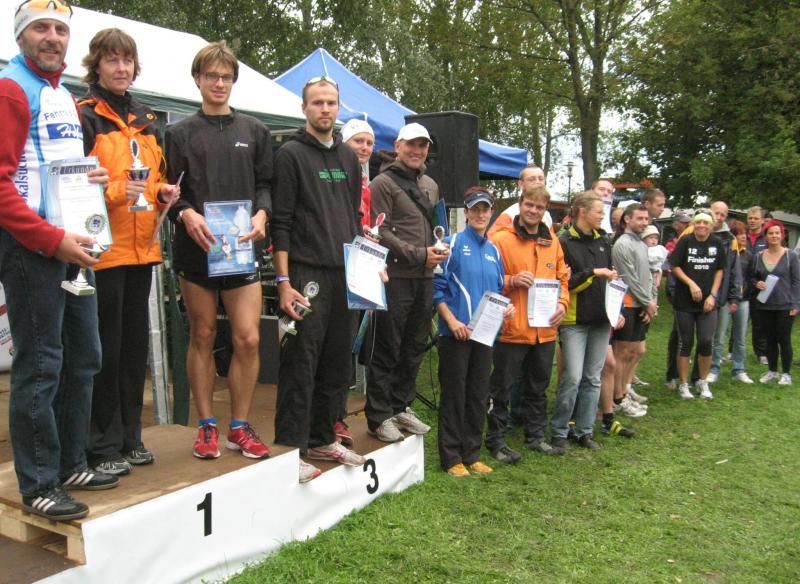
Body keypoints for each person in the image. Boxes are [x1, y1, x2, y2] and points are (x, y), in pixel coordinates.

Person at [0, 0, 118, 521]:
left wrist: (88, 177)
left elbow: (54, 166)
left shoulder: (63, 94)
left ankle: (71, 464)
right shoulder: (11, 88)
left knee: (84, 355)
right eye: (41, 28)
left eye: (60, 29)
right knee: (42, 364)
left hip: (73, 244)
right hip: (33, 248)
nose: (52, 37)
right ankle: (40, 483)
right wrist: (49, 240)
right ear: (21, 36)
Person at [79, 28, 180, 476]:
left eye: (127, 61)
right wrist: (120, 191)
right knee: (104, 351)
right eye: (112, 60)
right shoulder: (85, 115)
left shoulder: (147, 118)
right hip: (102, 252)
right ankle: (100, 444)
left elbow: (152, 179)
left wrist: (162, 194)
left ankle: (129, 437)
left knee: (133, 351)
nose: (121, 68)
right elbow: (75, 183)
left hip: (143, 251)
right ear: (97, 65)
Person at [166, 42, 272, 460]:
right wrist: (185, 212)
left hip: (242, 249)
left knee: (248, 338)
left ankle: (239, 427)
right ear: (197, 79)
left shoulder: (255, 130)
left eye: (226, 77)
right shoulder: (178, 133)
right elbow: (167, 192)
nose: (219, 83)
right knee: (203, 334)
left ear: (234, 81)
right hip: (197, 249)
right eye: (211, 75)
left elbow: (266, 185)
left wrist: (262, 214)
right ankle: (207, 425)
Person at [271, 76, 365, 482]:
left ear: (338, 107)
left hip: (345, 274)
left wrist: (365, 268)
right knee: (301, 361)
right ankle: (290, 449)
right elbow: (281, 223)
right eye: (317, 103)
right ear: (304, 108)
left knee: (337, 360)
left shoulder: (348, 157)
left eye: (331, 103)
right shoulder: (290, 155)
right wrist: (283, 281)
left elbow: (353, 217)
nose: (325, 109)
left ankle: (323, 436)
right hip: (305, 273)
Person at [365, 123, 448, 442]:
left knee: (414, 348)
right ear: (398, 146)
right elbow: (379, 231)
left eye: (422, 145)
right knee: (388, 347)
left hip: (425, 277)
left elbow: (436, 227)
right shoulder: (382, 182)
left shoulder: (430, 184)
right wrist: (417, 254)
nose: (417, 150)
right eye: (411, 144)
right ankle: (379, 415)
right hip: (396, 276)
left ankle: (400, 406)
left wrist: (439, 249)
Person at [485, 185, 570, 462]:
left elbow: (562, 278)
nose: (533, 211)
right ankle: (496, 440)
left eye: (539, 207)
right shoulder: (500, 239)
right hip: (512, 329)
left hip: (544, 330)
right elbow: (486, 278)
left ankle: (535, 437)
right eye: (529, 205)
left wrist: (563, 304)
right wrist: (511, 281)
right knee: (502, 388)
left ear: (545, 211)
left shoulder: (552, 241)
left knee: (538, 387)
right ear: (520, 205)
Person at [434, 188, 513, 476]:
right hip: (455, 334)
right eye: (475, 209)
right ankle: (451, 457)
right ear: (466, 212)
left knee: (479, 394)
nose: (480, 214)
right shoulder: (451, 243)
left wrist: (506, 309)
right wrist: (452, 321)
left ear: (491, 212)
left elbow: (499, 291)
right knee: (455, 395)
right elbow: (436, 289)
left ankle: (472, 453)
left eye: (485, 209)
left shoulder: (494, 250)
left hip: (484, 335)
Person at [551, 192, 623, 451]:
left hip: (602, 319)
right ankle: (559, 431)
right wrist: (593, 273)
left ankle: (584, 431)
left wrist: (617, 309)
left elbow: (612, 279)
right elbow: (565, 282)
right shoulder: (563, 241)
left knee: (593, 377)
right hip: (574, 321)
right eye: (599, 212)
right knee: (572, 377)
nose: (603, 216)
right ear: (582, 211)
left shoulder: (604, 240)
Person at [335, 117, 376, 446]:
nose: (364, 148)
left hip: (358, 269)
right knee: (331, 346)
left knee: (347, 344)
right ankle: (328, 416)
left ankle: (337, 415)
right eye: (357, 141)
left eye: (369, 143)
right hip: (332, 268)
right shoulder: (336, 175)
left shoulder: (366, 185)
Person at [669, 212, 726, 399]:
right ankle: (683, 384)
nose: (702, 225)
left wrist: (713, 295)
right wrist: (691, 284)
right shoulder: (685, 241)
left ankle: (702, 381)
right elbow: (674, 265)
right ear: (693, 224)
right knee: (685, 342)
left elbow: (720, 270)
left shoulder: (717, 243)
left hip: (708, 302)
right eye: (698, 222)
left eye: (706, 222)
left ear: (711, 226)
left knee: (706, 341)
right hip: (685, 302)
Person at [611, 204, 656, 414]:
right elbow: (629, 278)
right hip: (627, 304)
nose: (644, 223)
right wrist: (647, 301)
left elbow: (648, 275)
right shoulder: (622, 244)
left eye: (646, 219)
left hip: (641, 304)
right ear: (627, 219)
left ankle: (624, 391)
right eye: (640, 218)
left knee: (634, 352)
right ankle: (617, 398)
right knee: (622, 353)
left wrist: (650, 300)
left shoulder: (641, 244)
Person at [748, 219, 799, 385]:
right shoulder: (758, 256)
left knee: (784, 339)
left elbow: (796, 281)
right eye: (771, 233)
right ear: (766, 236)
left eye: (777, 233)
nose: (774, 236)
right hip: (765, 305)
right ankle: (772, 370)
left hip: (785, 305)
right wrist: (757, 283)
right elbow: (751, 277)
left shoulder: (791, 256)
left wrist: (796, 303)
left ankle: (786, 373)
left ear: (782, 235)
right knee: (769, 339)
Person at [709, 220, 755, 384]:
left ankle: (739, 369)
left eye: (745, 233)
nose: (743, 237)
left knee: (740, 337)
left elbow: (750, 277)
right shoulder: (727, 251)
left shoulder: (748, 255)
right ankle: (714, 367)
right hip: (725, 300)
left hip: (743, 300)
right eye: (739, 234)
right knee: (719, 336)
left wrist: (747, 289)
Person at [488, 164, 553, 236]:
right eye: (532, 179)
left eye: (541, 179)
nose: (538, 182)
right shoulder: (509, 215)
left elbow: (551, 240)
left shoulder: (547, 216)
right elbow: (491, 240)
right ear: (521, 184)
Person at [745, 206, 768, 364]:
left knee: (759, 322)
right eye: (750, 218)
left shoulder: (766, 238)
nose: (752, 221)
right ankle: (732, 350)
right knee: (739, 320)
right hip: (743, 284)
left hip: (761, 285)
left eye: (756, 218)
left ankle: (761, 353)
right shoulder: (742, 236)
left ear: (762, 220)